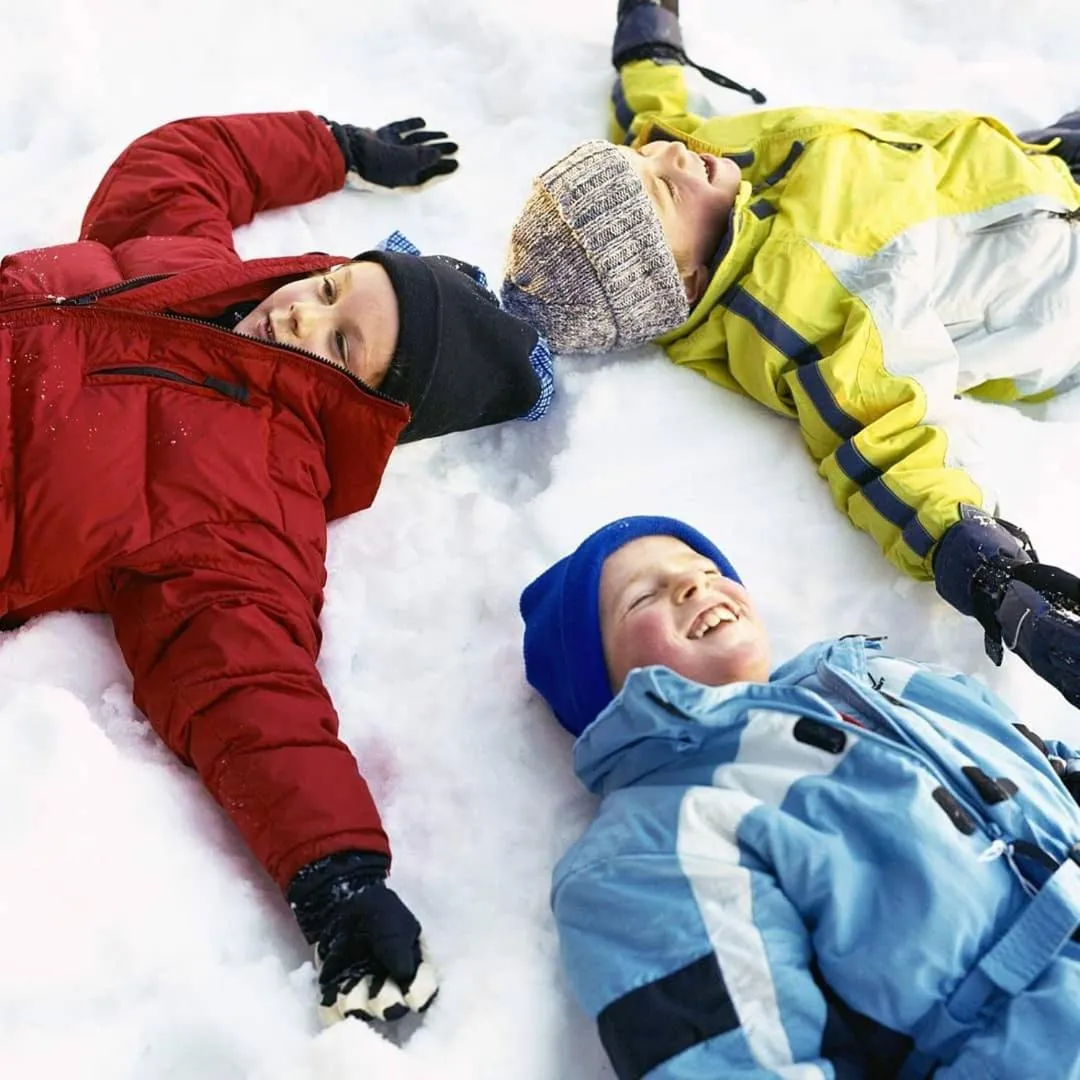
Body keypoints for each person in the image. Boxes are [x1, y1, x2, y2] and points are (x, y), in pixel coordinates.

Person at [0, 108, 554, 1026]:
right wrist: (335, 145)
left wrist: (337, 877)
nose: (303, 313)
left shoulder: (252, 504)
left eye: (340, 344)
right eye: (332, 288)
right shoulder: (192, 266)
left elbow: (247, 684)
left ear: (367, 407)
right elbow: (185, 161)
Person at [499, 0, 1080, 713]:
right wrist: (991, 574)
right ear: (684, 281)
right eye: (663, 185)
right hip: (1059, 281)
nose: (670, 152)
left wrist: (647, 34)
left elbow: (647, 116)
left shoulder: (698, 174)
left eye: (644, 159)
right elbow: (877, 444)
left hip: (1033, 166)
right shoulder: (801, 304)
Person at [519, 514, 1080, 1079]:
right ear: (596, 684)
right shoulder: (650, 844)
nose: (693, 584)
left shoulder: (876, 678)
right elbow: (736, 1064)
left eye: (706, 570)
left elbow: (1041, 761)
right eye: (642, 597)